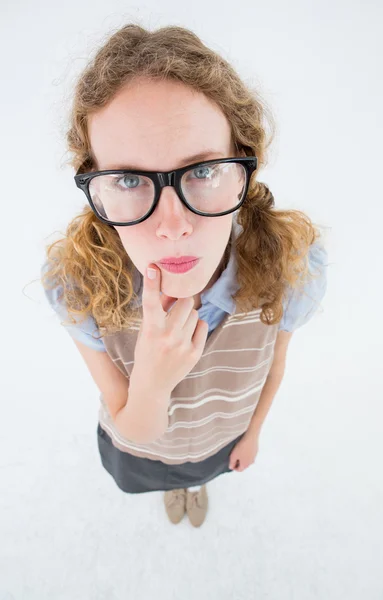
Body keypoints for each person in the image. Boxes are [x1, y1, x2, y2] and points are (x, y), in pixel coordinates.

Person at [40, 23, 328, 528]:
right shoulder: (77, 284)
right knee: (163, 475)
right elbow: (133, 423)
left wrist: (253, 433)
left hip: (223, 440)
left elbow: (271, 369)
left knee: (202, 472)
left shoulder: (291, 267)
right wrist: (151, 380)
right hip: (141, 451)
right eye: (129, 179)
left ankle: (196, 486)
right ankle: (176, 488)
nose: (173, 227)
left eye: (202, 171)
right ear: (96, 185)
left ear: (243, 166)